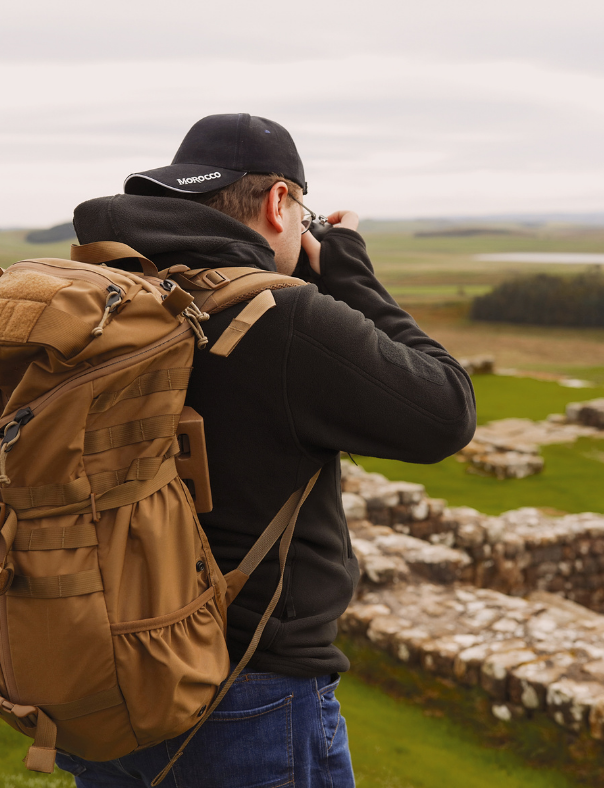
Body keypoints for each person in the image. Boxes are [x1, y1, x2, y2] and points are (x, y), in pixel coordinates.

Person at [60, 113, 477, 787]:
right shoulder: (282, 322)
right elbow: (446, 411)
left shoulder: (105, 300)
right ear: (280, 203)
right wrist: (351, 272)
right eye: (302, 209)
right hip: (244, 695)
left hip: (104, 673)